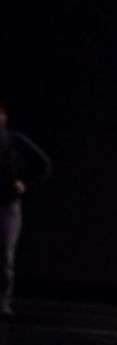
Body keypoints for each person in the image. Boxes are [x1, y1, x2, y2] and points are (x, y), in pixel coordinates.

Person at [0, 103, 53, 318]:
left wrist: (26, 184)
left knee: (5, 256)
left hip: (7, 207)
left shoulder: (14, 141)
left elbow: (44, 164)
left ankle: (3, 303)